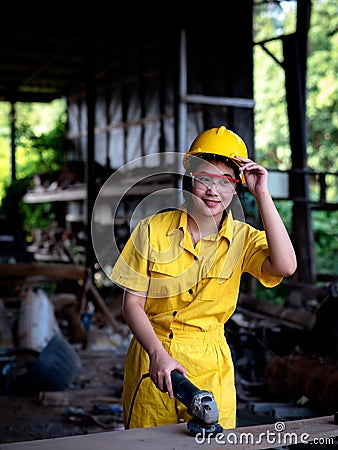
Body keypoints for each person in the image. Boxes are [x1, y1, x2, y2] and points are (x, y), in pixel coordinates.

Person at [110, 125, 297, 430]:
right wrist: (158, 355)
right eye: (204, 180)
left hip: (210, 364)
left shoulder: (244, 239)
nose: (213, 191)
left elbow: (286, 266)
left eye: (224, 182)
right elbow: (132, 304)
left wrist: (262, 193)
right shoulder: (152, 229)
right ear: (190, 180)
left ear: (237, 187)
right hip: (152, 360)